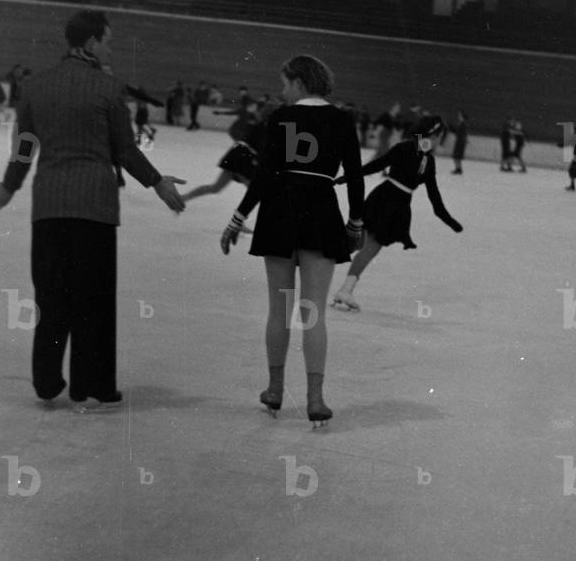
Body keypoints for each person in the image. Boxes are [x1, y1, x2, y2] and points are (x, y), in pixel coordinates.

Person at [0, 10, 186, 411]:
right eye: (109, 41)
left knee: (51, 295)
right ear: (92, 42)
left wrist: (8, 188)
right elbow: (124, 149)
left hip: (49, 205)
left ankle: (47, 382)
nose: (110, 48)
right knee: (93, 300)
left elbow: (25, 148)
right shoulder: (108, 88)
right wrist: (157, 182)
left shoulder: (35, 87)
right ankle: (91, 386)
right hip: (95, 207)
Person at [220, 55, 364, 428]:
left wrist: (238, 218)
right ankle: (315, 399)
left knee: (279, 310)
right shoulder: (342, 119)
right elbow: (356, 177)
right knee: (312, 312)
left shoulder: (282, 118)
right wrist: (355, 223)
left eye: (284, 83)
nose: (282, 90)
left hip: (279, 214)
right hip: (321, 213)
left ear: (299, 82)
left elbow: (266, 175)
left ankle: (274, 389)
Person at [331, 116, 463, 312]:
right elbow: (376, 165)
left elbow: (434, 197)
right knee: (368, 247)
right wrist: (345, 178)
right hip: (386, 201)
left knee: (362, 245)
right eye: (440, 136)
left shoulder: (427, 159)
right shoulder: (408, 149)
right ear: (433, 135)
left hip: (397, 204)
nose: (440, 140)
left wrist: (450, 221)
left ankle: (335, 277)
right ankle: (341, 286)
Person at [183, 102, 266, 218]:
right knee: (255, 191)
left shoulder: (263, 124)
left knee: (216, 188)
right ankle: (239, 220)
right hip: (242, 157)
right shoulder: (266, 125)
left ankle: (183, 198)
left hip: (239, 155)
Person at [451, 110, 468, 175]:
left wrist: (454, 130)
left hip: (460, 142)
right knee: (456, 157)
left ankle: (458, 169)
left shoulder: (463, 124)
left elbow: (461, 133)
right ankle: (458, 168)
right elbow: (459, 132)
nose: (459, 117)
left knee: (456, 156)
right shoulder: (462, 124)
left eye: (460, 116)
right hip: (460, 142)